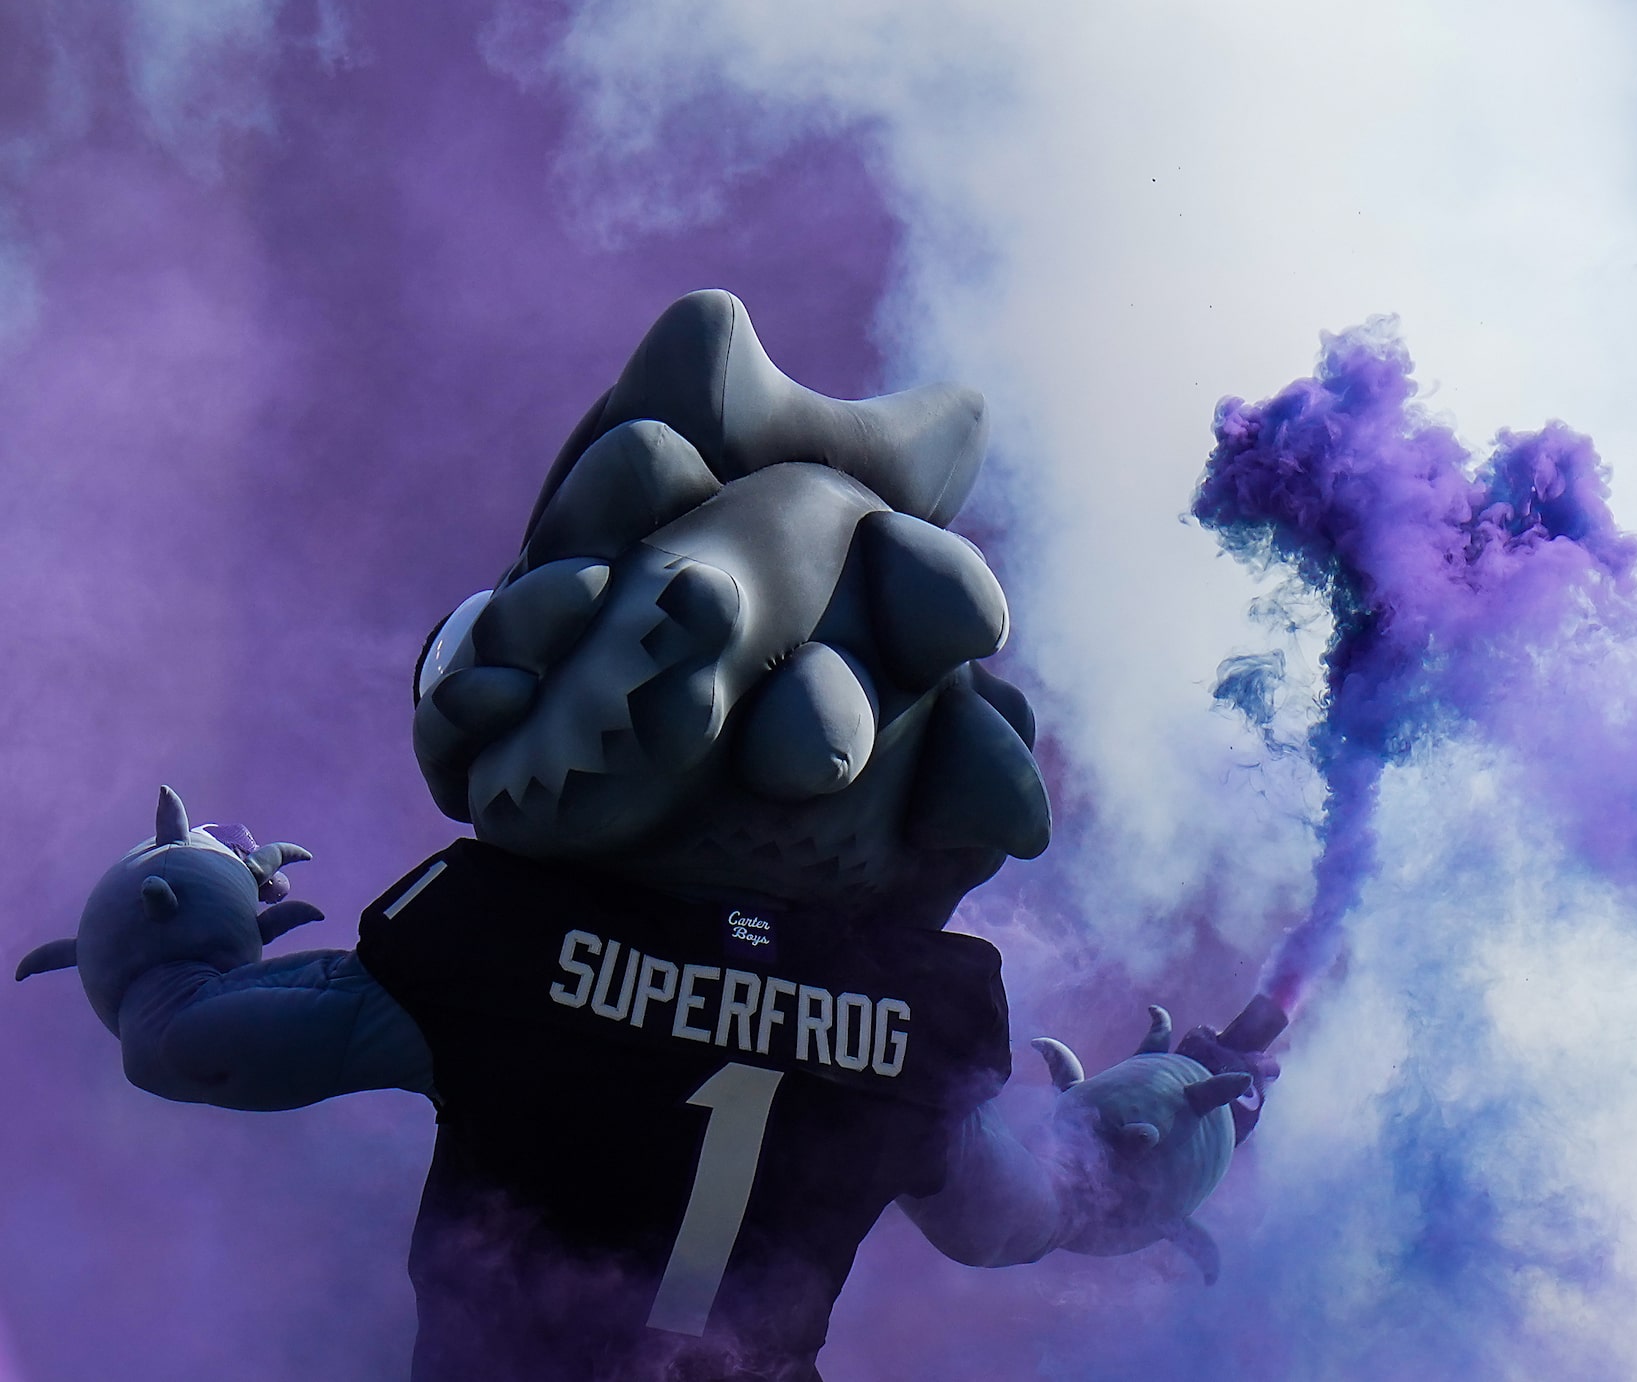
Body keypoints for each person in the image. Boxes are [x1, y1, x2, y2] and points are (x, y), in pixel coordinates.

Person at [14, 291, 1276, 1382]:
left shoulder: (492, 949)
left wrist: (183, 895)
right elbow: (1017, 1217)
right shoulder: (914, 1021)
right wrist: (1153, 1127)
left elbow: (183, 1041)